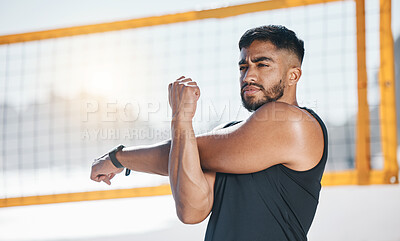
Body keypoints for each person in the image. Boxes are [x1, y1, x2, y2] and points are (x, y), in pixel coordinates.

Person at [90, 25, 328, 241]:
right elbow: (191, 210)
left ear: (293, 75)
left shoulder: (294, 121)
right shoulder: (228, 132)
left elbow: (194, 152)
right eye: (243, 67)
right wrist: (181, 119)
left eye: (262, 64)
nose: (248, 76)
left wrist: (118, 158)